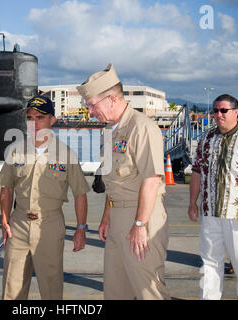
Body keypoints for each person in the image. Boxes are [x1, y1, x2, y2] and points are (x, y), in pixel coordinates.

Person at [77, 63, 170, 300]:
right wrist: (107, 216)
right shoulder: (108, 131)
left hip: (141, 217)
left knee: (148, 290)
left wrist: (140, 225)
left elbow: (151, 180)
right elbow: (112, 179)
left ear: (111, 99)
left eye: (92, 105)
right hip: (117, 218)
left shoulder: (142, 128)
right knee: (116, 290)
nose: (89, 111)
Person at [0, 96, 90, 300]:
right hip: (18, 224)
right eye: (30, 118)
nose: (34, 124)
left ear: (52, 120)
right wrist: (4, 220)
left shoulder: (67, 154)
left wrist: (81, 229)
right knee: (12, 286)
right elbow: (6, 189)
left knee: (51, 285)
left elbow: (80, 194)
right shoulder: (15, 151)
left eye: (40, 118)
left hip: (50, 224)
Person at [188, 94, 238, 300]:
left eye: (223, 110)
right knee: (210, 263)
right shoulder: (206, 138)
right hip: (210, 213)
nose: (218, 115)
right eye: (215, 111)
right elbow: (196, 171)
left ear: (236, 112)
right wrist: (192, 203)